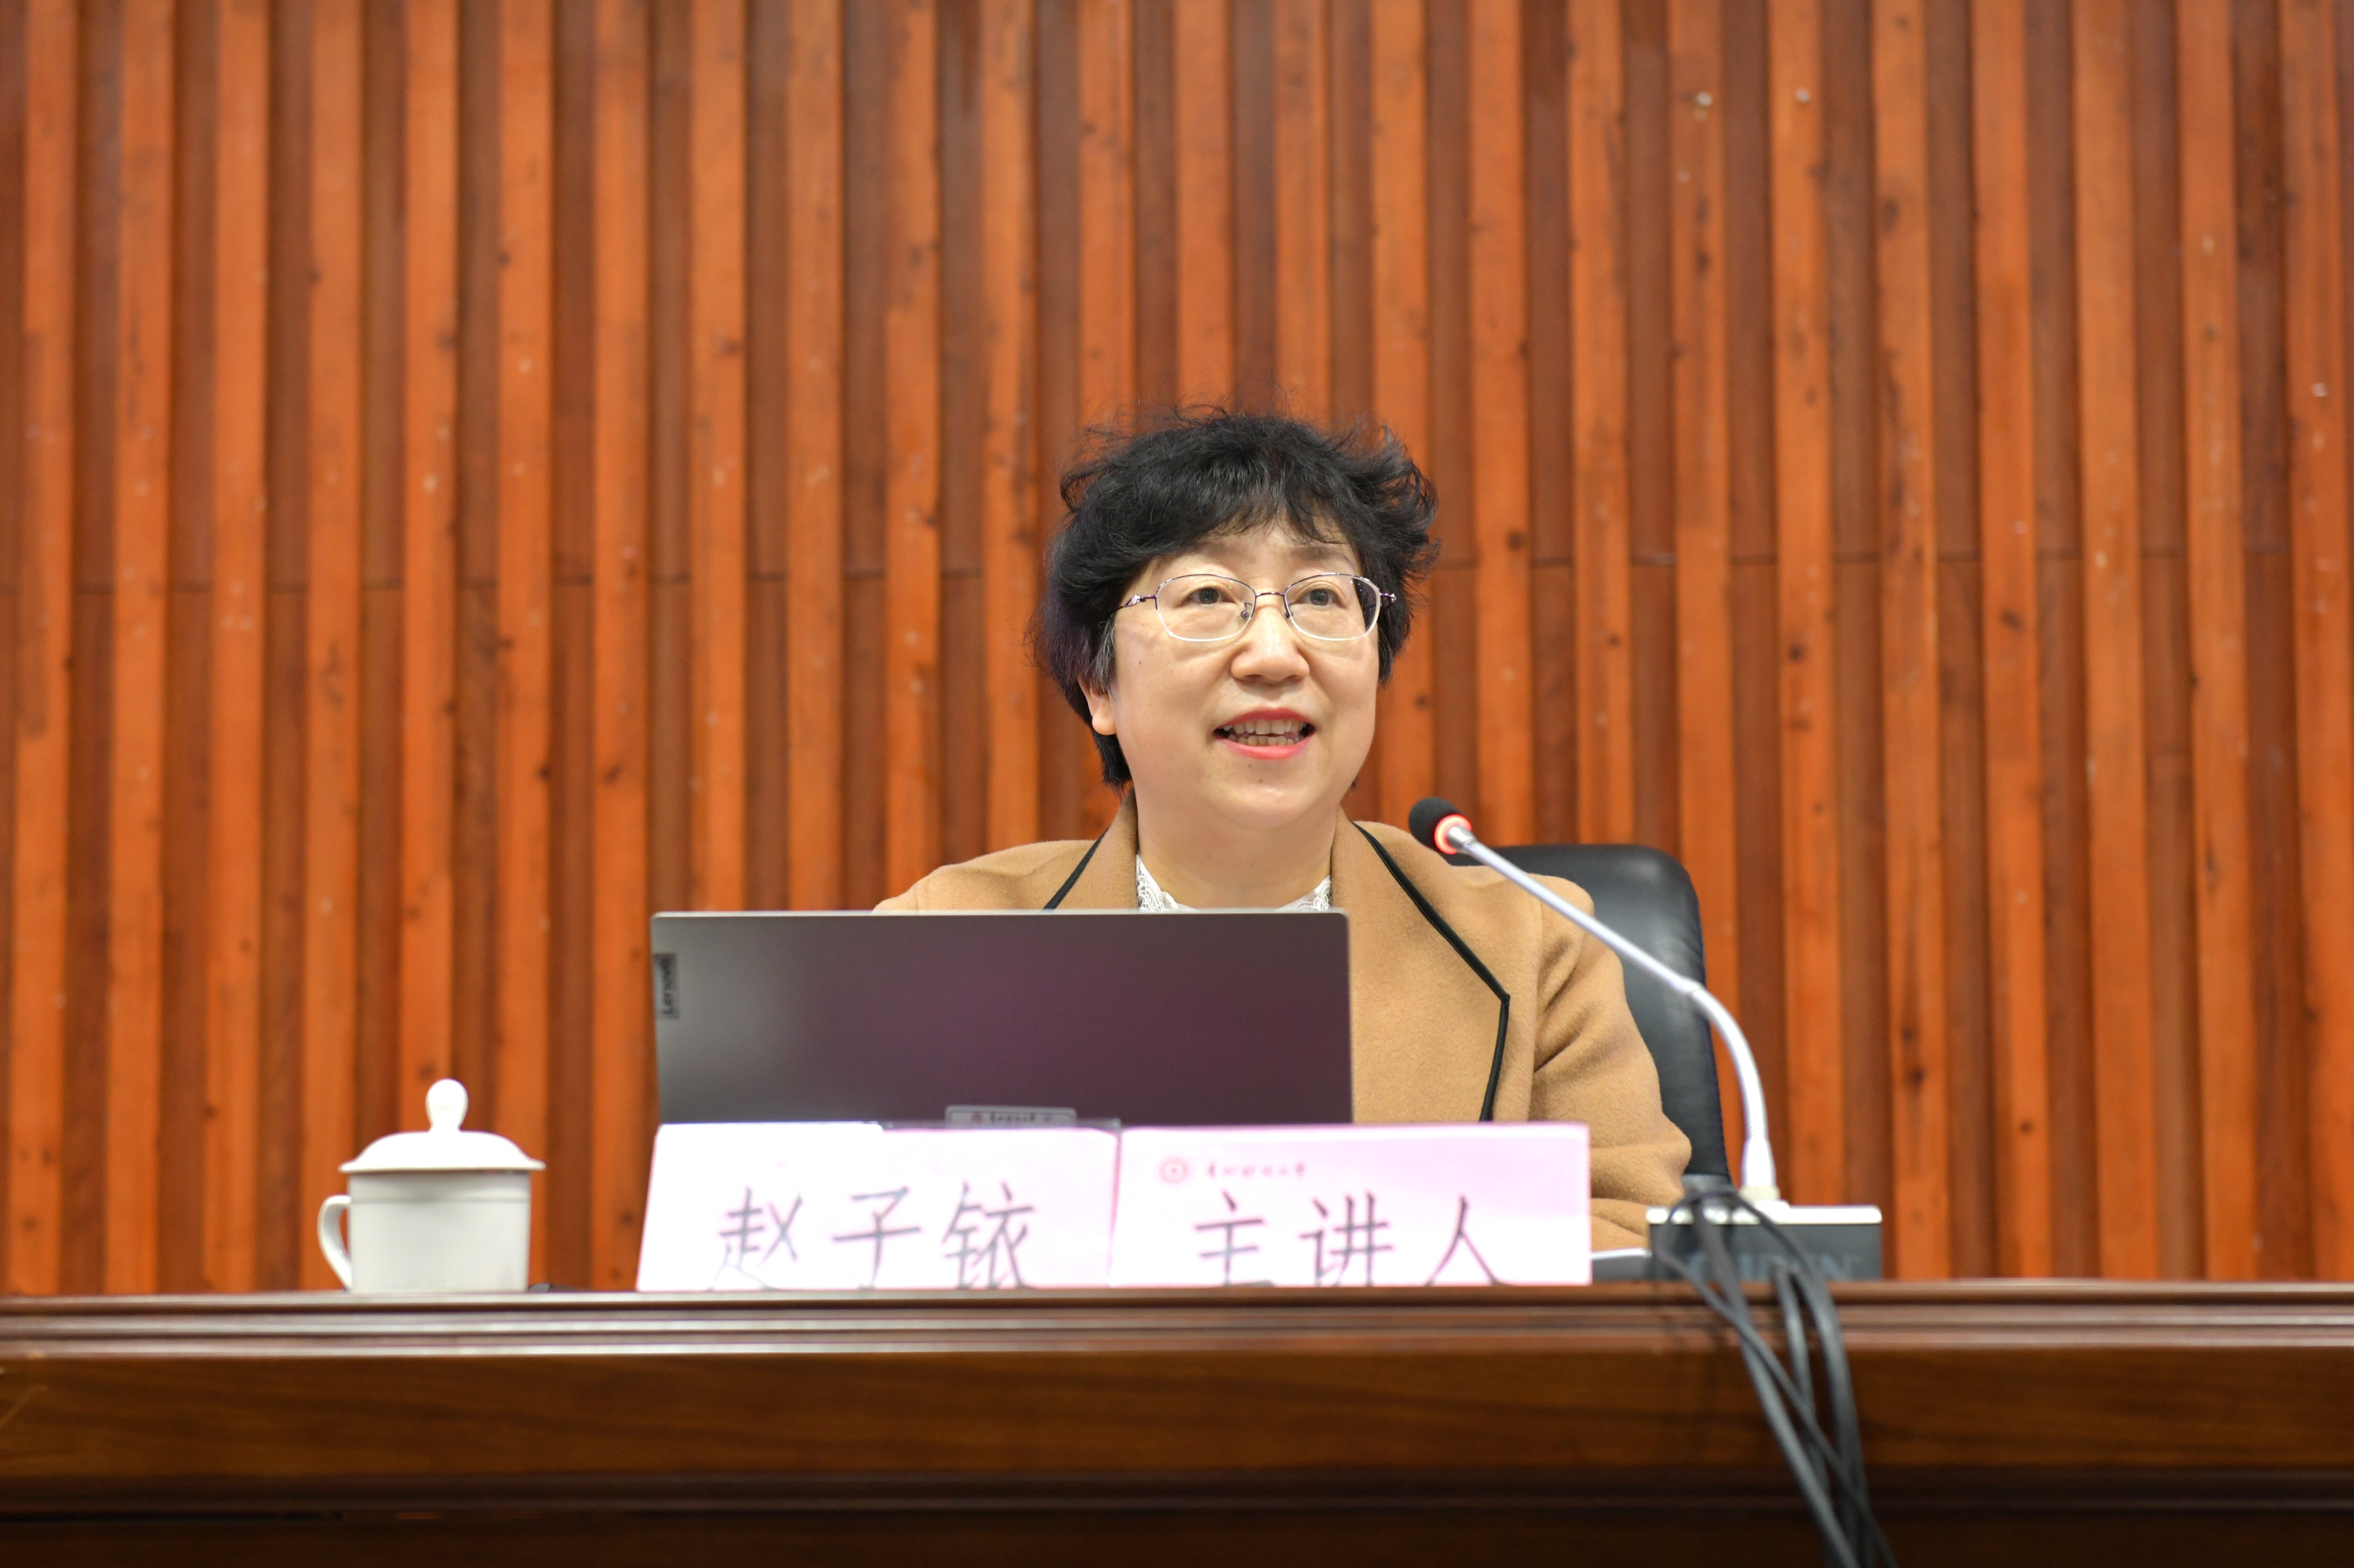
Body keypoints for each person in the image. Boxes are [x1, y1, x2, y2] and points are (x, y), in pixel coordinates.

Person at [880, 409, 1688, 1250]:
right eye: (1207, 597)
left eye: (1320, 598)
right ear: (1099, 685)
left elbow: (1632, 1244)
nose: (1274, 654)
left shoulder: (1534, 948)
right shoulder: (940, 945)